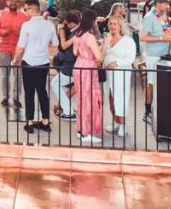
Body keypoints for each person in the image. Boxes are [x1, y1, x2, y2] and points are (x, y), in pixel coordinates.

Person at [13, 0, 58, 134]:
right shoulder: (49, 25)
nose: (25, 11)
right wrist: (46, 52)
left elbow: (21, 47)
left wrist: (15, 59)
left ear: (33, 10)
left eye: (26, 9)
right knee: (42, 91)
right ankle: (45, 121)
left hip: (29, 62)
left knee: (29, 92)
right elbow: (55, 44)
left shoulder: (26, 25)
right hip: (43, 62)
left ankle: (30, 122)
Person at [140, 0, 171, 123]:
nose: (168, 6)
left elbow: (166, 34)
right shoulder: (149, 18)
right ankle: (147, 113)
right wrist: (162, 39)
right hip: (153, 56)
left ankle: (160, 110)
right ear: (158, 4)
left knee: (162, 84)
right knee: (151, 84)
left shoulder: (163, 16)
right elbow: (143, 37)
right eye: (166, 4)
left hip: (165, 54)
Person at [73, 8, 103, 143]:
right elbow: (99, 57)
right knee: (88, 100)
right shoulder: (90, 37)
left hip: (78, 66)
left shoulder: (77, 35)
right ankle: (86, 132)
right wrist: (103, 46)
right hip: (88, 68)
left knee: (80, 99)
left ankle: (80, 129)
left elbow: (75, 53)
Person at [103, 16, 136, 137]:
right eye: (110, 24)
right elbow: (103, 54)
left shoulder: (128, 41)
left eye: (115, 24)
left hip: (121, 74)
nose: (112, 26)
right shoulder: (107, 39)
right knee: (111, 98)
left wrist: (116, 63)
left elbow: (131, 58)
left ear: (120, 26)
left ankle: (122, 125)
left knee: (120, 98)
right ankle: (115, 122)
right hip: (108, 74)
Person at [0, 0, 27, 110]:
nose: (13, 3)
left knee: (18, 74)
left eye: (15, 1)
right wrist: (3, 32)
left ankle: (16, 97)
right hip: (4, 48)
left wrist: (22, 33)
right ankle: (5, 96)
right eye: (11, 1)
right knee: (4, 74)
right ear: (7, 2)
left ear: (18, 3)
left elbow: (29, 31)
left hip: (19, 50)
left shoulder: (24, 16)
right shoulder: (0, 14)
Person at [51, 11, 80, 120]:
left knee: (55, 84)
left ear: (70, 23)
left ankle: (68, 111)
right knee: (57, 84)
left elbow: (69, 53)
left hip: (70, 66)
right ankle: (67, 109)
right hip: (69, 66)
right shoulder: (74, 31)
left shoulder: (75, 34)